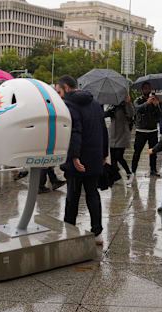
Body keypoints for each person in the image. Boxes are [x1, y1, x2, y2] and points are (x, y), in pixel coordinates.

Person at [55, 75, 108, 242]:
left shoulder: (69, 105)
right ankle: (97, 233)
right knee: (93, 194)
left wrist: (75, 157)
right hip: (95, 157)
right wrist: (104, 153)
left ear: (67, 88)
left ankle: (69, 229)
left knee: (73, 196)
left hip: (77, 160)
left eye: (59, 91)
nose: (58, 95)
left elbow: (75, 132)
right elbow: (103, 129)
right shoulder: (95, 103)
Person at [131, 82, 162, 176]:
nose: (147, 90)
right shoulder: (138, 100)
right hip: (141, 131)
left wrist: (157, 106)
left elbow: (160, 115)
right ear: (142, 90)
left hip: (153, 130)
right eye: (145, 88)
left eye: (148, 88)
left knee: (153, 152)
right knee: (137, 152)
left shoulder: (154, 100)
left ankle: (153, 169)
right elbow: (137, 109)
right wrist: (146, 103)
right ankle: (133, 170)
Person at [104, 94, 134, 183]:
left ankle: (129, 173)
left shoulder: (125, 104)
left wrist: (128, 102)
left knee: (118, 156)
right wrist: (109, 112)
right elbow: (104, 114)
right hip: (113, 134)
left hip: (123, 134)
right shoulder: (112, 105)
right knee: (113, 158)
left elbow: (131, 114)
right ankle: (115, 177)